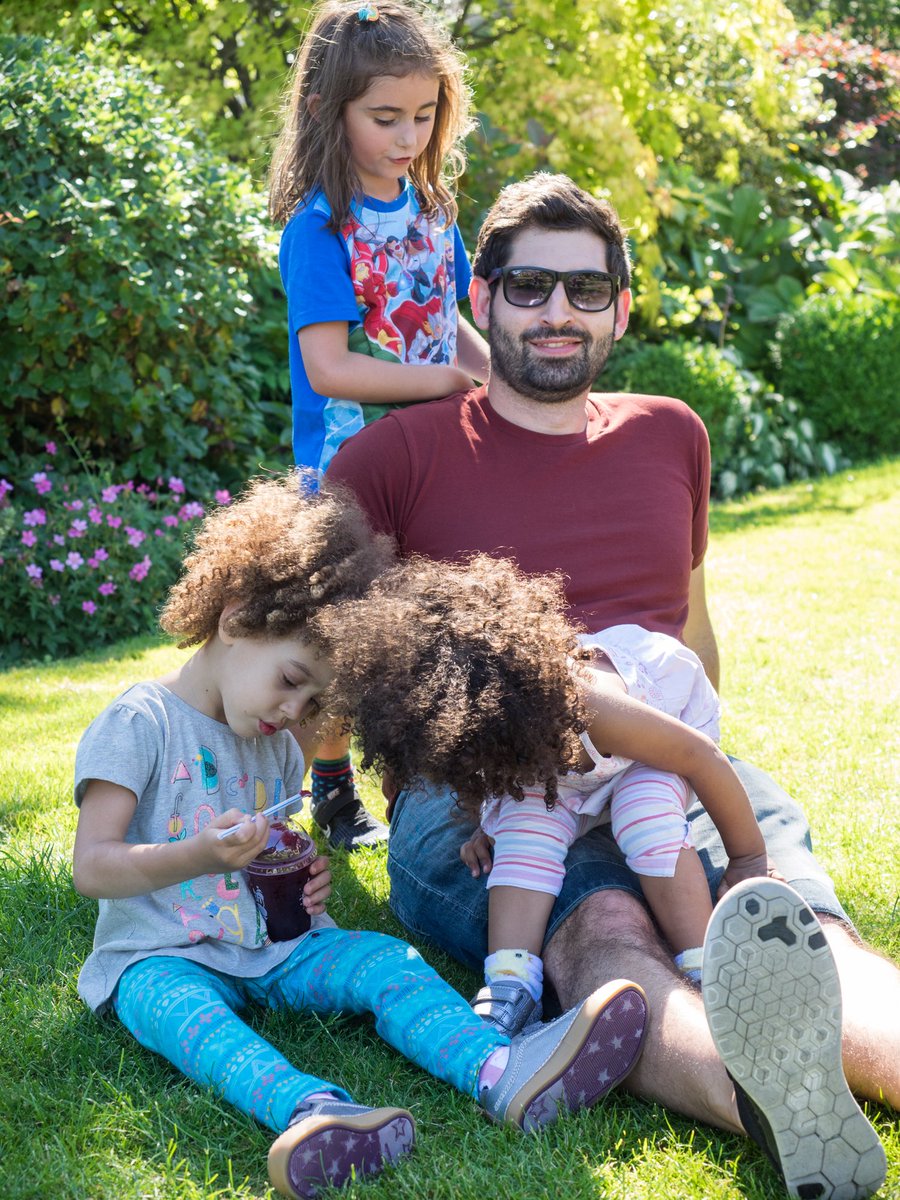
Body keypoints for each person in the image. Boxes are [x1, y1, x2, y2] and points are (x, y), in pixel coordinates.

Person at [327, 172, 897, 1199]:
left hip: (670, 754)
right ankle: (770, 1105)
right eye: (532, 287)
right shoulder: (387, 460)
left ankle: (843, 1053)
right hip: (485, 795)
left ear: (621, 308)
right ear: (484, 298)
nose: (557, 313)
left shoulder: (670, 432)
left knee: (791, 930)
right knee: (602, 929)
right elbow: (337, 678)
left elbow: (692, 623)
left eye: (586, 291)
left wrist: (704, 768)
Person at [71, 474, 649, 1200]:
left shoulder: (279, 746)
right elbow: (92, 867)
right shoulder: (140, 723)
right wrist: (198, 855)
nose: (294, 710)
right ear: (235, 617)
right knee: (184, 1017)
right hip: (156, 955)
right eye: (290, 679)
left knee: (385, 960)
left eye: (315, 701)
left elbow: (274, 853)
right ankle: (314, 1113)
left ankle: (503, 1072)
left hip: (271, 949)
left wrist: (307, 880)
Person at [317, 553, 780, 1028]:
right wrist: (488, 822)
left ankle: (706, 966)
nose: (482, 777)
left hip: (653, 751)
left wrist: (746, 859)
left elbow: (700, 758)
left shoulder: (594, 707)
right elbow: (485, 779)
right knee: (523, 829)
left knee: (646, 817)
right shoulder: (485, 730)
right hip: (566, 767)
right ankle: (511, 982)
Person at [268, 0, 490, 851]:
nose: (408, 136)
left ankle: (425, 787)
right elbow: (330, 367)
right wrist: (444, 382)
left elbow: (454, 323)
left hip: (443, 453)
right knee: (346, 634)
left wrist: (491, 374)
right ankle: (329, 784)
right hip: (352, 468)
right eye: (384, 117)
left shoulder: (434, 214)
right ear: (329, 110)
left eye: (425, 116)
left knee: (435, 618)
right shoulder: (319, 231)